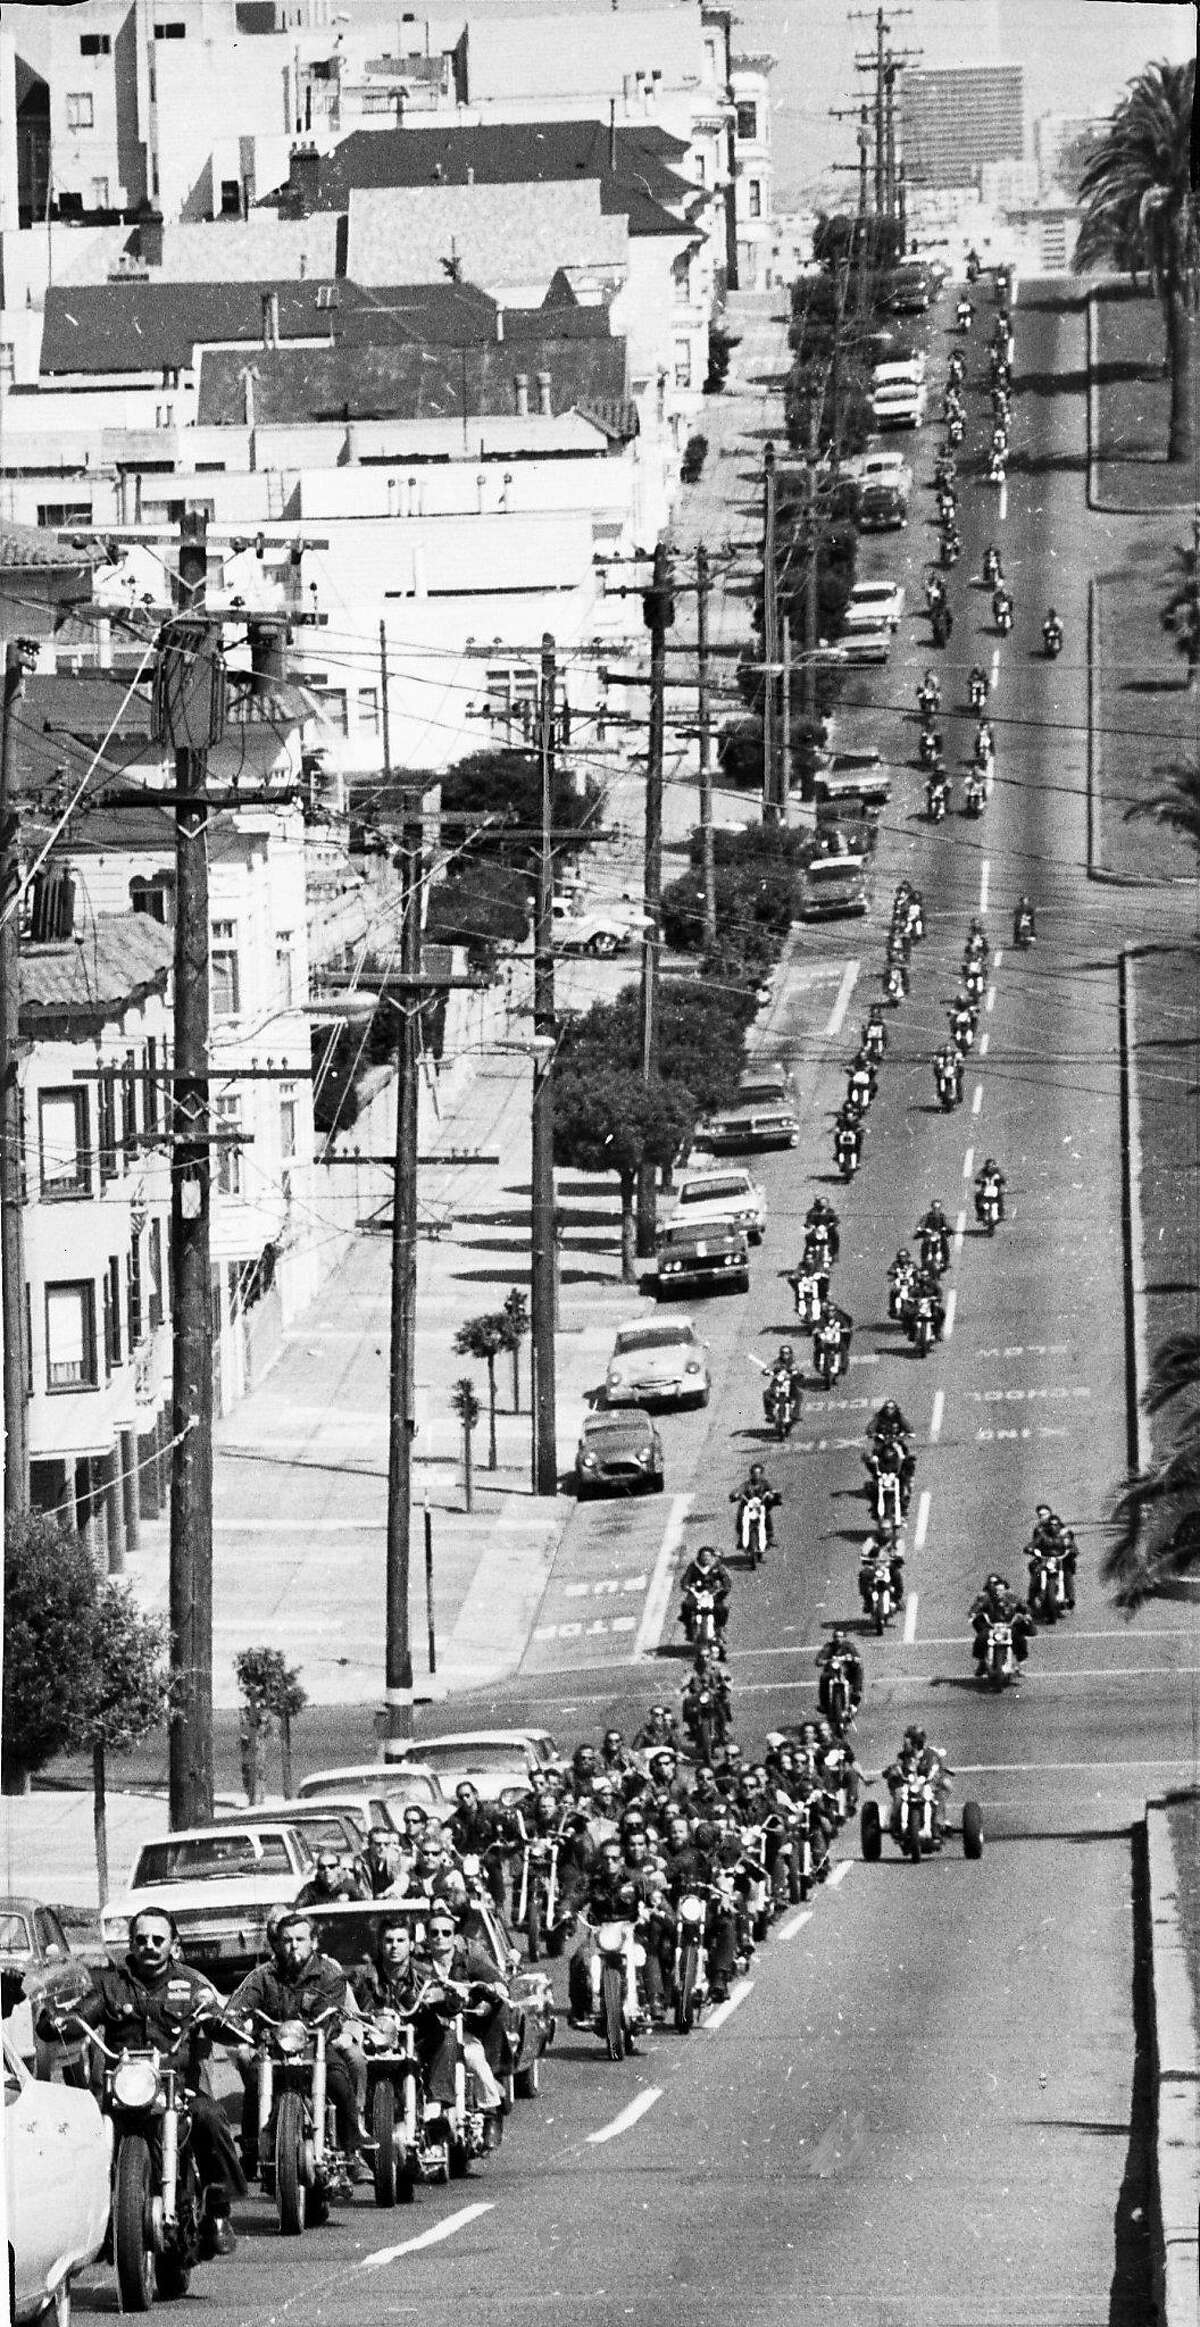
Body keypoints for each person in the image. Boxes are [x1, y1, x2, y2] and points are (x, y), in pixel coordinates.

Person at [41, 1905, 245, 2256]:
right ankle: (89, 2220)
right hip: (123, 2088)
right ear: (131, 1944)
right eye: (141, 1939)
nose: (149, 1946)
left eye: (158, 1939)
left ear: (173, 1944)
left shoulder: (191, 1983)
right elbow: (83, 2014)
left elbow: (220, 2020)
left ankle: (218, 2210)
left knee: (210, 2117)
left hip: (178, 2084)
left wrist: (218, 2020)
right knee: (81, 2135)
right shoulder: (111, 1985)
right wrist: (61, 2021)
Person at [227, 1912, 369, 2184]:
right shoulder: (263, 1975)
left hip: (316, 2049)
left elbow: (333, 2013)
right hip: (274, 2051)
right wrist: (236, 2015)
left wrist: (326, 2024)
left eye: (300, 1939)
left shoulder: (329, 1974)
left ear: (313, 1942)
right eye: (287, 1940)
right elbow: (241, 2003)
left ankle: (353, 2153)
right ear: (277, 1944)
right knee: (254, 2082)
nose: (293, 1946)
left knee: (338, 2079)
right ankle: (249, 2149)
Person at [410, 1905, 508, 2138]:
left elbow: (497, 1982)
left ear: (455, 1937)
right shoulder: (418, 1965)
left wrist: (492, 1990)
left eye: (446, 1933)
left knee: (475, 2059)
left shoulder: (468, 1962)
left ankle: (490, 2111)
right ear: (427, 1936)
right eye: (434, 1933)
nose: (440, 1938)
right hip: (429, 2031)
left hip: (464, 2030)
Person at [969, 1575, 1034, 1674]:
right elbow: (979, 1605)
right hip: (992, 1627)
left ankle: (1019, 1662)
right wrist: (973, 1613)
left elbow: (1023, 1605)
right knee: (981, 1638)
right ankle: (982, 1662)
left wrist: (1027, 1614)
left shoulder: (1012, 1597)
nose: (999, 1592)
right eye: (997, 1590)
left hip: (1009, 1626)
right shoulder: (987, 1598)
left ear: (1005, 1590)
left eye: (1002, 1590)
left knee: (1020, 1639)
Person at [1027, 1503, 1078, 1609]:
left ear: (1050, 1514)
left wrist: (1071, 1551)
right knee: (1035, 1569)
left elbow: (1070, 1542)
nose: (1043, 1517)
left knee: (1067, 1570)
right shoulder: (1039, 1530)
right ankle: (1032, 1597)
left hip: (1061, 1559)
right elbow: (1035, 1543)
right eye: (1040, 1515)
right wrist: (1031, 1549)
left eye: (1045, 1514)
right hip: (1044, 1558)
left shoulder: (1062, 1530)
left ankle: (1070, 1598)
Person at [680, 1542, 733, 1638]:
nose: (706, 1558)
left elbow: (726, 1579)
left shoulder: (718, 1567)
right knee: (687, 1605)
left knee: (722, 1608)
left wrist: (725, 1588)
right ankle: (689, 1628)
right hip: (697, 1594)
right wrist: (686, 1586)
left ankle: (720, 1628)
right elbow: (686, 1578)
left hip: (713, 1594)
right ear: (699, 1557)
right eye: (704, 1556)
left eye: (708, 1556)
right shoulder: (693, 1567)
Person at [294, 1847, 371, 1908]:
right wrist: (335, 1902)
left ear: (338, 1868)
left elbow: (365, 1907)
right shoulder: (310, 1889)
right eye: (322, 1867)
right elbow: (296, 1908)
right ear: (318, 1870)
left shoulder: (350, 1885)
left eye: (331, 1866)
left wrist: (349, 1905)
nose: (327, 1870)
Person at [816, 1629, 864, 1721]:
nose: (838, 1639)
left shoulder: (849, 1646)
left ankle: (856, 1692)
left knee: (858, 1670)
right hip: (832, 1672)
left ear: (844, 1638)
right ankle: (823, 1704)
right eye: (836, 1636)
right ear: (833, 1638)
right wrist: (823, 1661)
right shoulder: (829, 1647)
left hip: (847, 1671)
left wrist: (855, 1658)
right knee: (823, 1677)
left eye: (840, 1636)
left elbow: (857, 1656)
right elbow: (819, 1659)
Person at [363, 1826, 402, 1900]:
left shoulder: (396, 1858)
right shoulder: (361, 1861)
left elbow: (401, 1881)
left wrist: (388, 1893)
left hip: (391, 1900)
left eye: (386, 1844)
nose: (382, 1848)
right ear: (369, 1844)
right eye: (378, 1844)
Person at [805, 1195, 841, 1261]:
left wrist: (833, 1224)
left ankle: (834, 1253)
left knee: (835, 1236)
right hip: (816, 1230)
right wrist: (810, 1225)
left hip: (827, 1230)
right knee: (808, 1237)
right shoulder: (813, 1211)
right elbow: (809, 1220)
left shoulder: (830, 1211)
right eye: (821, 1203)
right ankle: (807, 1255)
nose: (823, 1205)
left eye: (824, 1203)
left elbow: (836, 1220)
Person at [975, 1156, 1007, 1221]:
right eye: (988, 1166)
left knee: (1000, 1197)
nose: (990, 1168)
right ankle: (980, 1214)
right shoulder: (983, 1171)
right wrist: (980, 1180)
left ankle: (1001, 1214)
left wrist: (1001, 1180)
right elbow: (978, 1178)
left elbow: (1003, 1178)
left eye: (991, 1166)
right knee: (977, 1196)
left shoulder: (998, 1171)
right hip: (985, 1190)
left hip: (995, 1189)